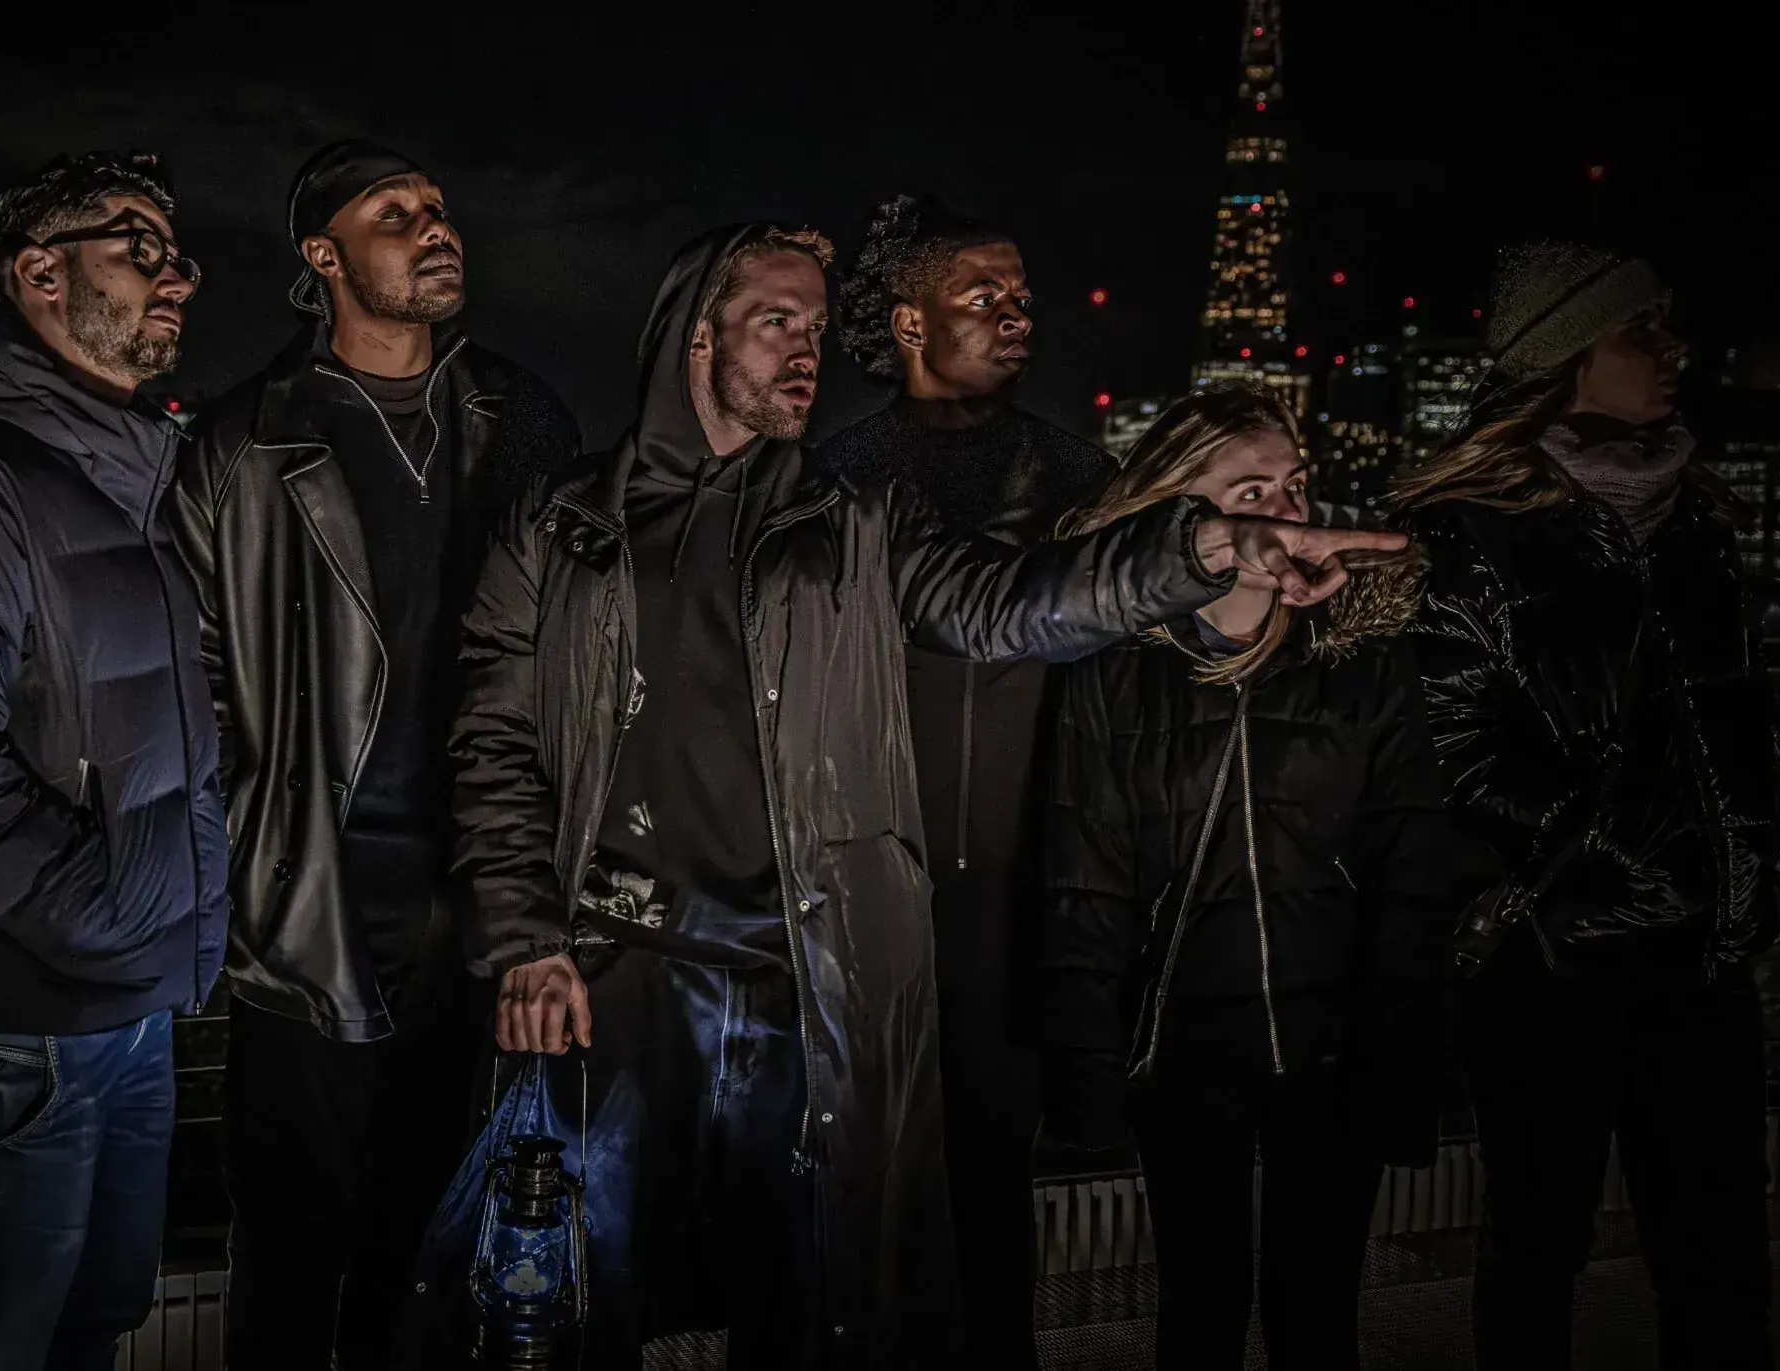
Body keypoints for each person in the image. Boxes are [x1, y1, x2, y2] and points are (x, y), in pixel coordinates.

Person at [448, 222, 1403, 1367]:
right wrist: (525, 941)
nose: (807, 349)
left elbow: (1011, 605)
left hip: (801, 984)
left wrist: (1198, 552)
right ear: (697, 338)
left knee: (811, 1308)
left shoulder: (854, 521)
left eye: (815, 326)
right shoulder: (559, 525)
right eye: (776, 322)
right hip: (615, 978)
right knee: (565, 1299)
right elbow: (493, 741)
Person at [176, 140, 578, 1365]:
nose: (433, 225)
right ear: (324, 254)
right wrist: (247, 846)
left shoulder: (521, 420)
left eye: (438, 207)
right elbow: (196, 673)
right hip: (312, 890)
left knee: (433, 1238)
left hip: (479, 888)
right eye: (393, 214)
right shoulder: (245, 441)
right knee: (292, 1240)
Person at [0, 151, 228, 1371]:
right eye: (137, 247)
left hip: (126, 1002)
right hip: (15, 1020)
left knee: (94, 1322)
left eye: (176, 252)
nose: (178, 275)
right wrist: (99, 910)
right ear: (40, 277)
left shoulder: (136, 471)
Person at [1390, 241, 1780, 1370]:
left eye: (1668, 325)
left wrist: (1746, 867)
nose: (1674, 350)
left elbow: (1736, 720)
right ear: (1563, 357)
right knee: (1538, 1241)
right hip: (1553, 951)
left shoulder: (1694, 518)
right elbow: (1457, 752)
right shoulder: (1473, 528)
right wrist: (1602, 861)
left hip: (1705, 949)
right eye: (1639, 332)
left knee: (1721, 1250)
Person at [1039, 384, 1459, 1370]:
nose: (1286, 512)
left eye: (1294, 486)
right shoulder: (1116, 667)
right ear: (1183, 512)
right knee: (1201, 1308)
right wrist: (1087, 1071)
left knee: (1321, 1314)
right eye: (1251, 491)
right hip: (1182, 1046)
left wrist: (1403, 1049)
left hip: (1334, 1044)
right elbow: (1085, 874)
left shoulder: (1359, 657)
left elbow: (1410, 861)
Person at [815, 194, 1113, 1368]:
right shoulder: (830, 478)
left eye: (1022, 295)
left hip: (1019, 890)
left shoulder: (1082, 475)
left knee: (993, 1181)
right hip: (862, 892)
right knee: (856, 1180)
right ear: (907, 321)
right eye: (983, 295)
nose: (1016, 314)